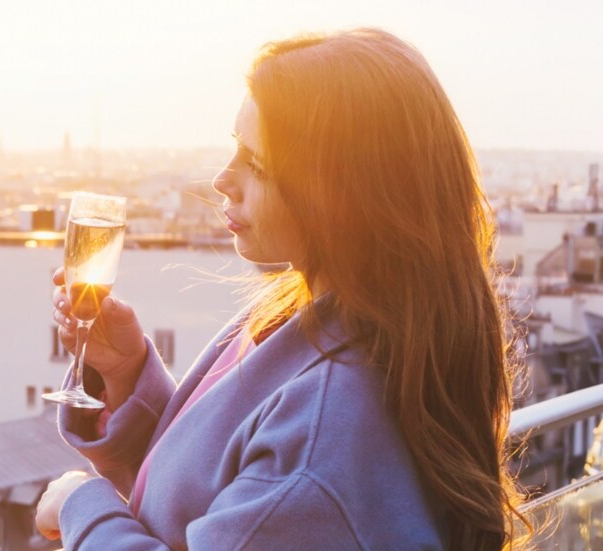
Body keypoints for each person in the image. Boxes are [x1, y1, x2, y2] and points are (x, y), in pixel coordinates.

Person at [34, 28, 529, 550]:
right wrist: (128, 373)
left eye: (257, 163)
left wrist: (79, 505)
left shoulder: (325, 435)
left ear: (338, 192)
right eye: (235, 150)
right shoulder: (315, 319)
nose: (223, 179)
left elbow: (279, 491)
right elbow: (214, 493)